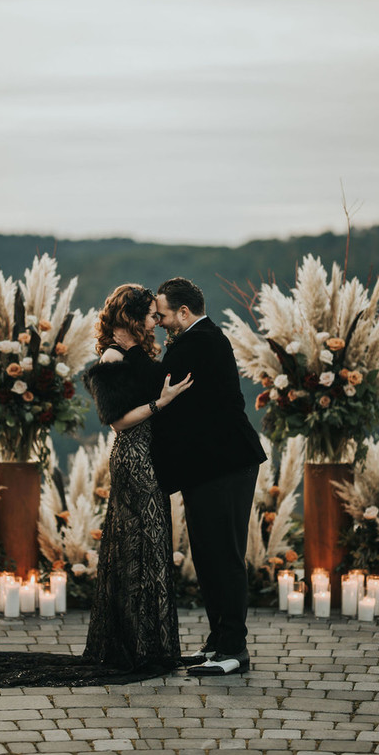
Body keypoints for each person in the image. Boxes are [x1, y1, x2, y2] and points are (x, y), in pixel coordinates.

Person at [114, 277, 267, 676]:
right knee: (207, 554)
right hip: (209, 467)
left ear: (184, 312)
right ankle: (218, 642)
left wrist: (121, 350)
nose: (160, 323)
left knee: (225, 555)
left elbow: (154, 383)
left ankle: (235, 649)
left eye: (162, 315)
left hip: (226, 466)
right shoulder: (194, 341)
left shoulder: (201, 342)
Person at [82, 284, 193, 673]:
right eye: (149, 315)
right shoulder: (111, 358)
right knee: (139, 547)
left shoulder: (133, 353)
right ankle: (137, 647)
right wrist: (160, 403)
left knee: (152, 544)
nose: (155, 321)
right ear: (131, 317)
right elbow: (117, 421)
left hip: (150, 456)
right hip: (134, 458)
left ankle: (150, 644)